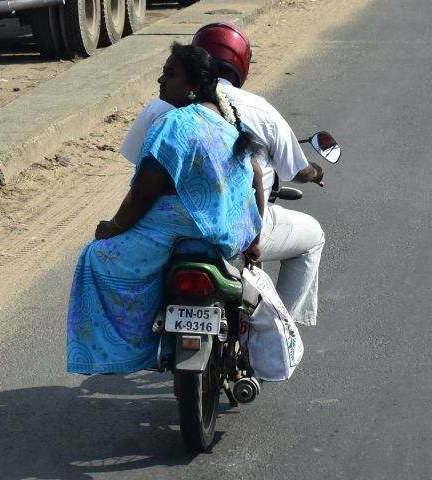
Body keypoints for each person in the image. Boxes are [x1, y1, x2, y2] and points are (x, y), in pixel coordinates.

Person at [67, 43, 264, 375]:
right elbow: (256, 175)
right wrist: (254, 239)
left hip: (173, 227)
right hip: (226, 235)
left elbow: (144, 194)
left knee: (94, 257)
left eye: (170, 74)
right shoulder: (226, 124)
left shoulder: (174, 123)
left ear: (192, 85)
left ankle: (130, 350)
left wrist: (113, 228)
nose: (160, 80)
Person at [120, 21, 325, 327]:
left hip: (166, 224)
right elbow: (281, 172)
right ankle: (280, 327)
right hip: (233, 224)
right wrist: (312, 172)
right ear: (241, 64)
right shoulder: (256, 111)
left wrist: (115, 227)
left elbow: (138, 169)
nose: (162, 79)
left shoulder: (163, 109)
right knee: (313, 237)